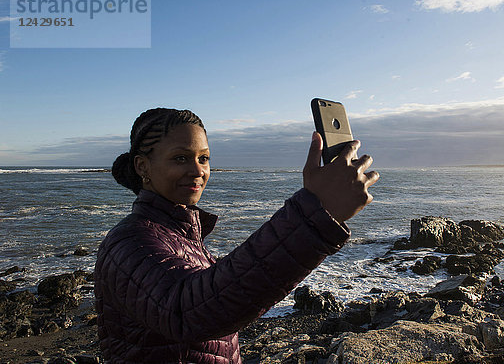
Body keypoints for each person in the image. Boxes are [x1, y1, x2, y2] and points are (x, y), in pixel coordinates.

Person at [95, 107, 379, 363]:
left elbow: (220, 290)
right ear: (142, 166)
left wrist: (316, 214)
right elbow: (188, 312)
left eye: (203, 158)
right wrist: (314, 213)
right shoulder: (129, 241)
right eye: (180, 158)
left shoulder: (180, 235)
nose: (198, 170)